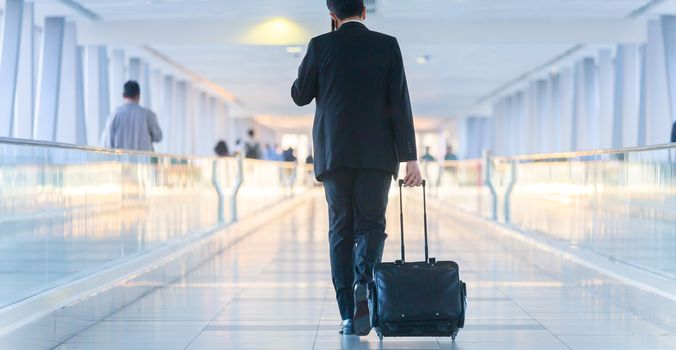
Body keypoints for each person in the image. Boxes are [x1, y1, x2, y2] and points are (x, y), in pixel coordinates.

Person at [291, 0, 422, 336]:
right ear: (365, 11)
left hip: (334, 154)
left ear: (332, 17)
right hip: (378, 155)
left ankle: (348, 312)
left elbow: (300, 95)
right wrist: (410, 158)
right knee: (372, 223)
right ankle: (366, 282)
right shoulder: (387, 45)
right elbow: (400, 103)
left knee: (340, 229)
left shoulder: (321, 45)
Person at [101, 81, 162, 151]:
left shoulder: (114, 115)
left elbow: (107, 143)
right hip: (144, 160)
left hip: (120, 160)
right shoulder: (149, 115)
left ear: (123, 95)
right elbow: (158, 137)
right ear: (138, 95)